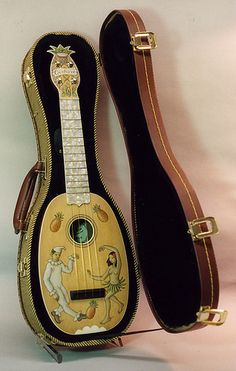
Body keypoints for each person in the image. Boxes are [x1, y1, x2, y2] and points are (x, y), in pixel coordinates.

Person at [43, 246, 85, 323]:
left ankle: (56, 312)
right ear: (51, 254)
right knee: (65, 305)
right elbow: (46, 279)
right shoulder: (50, 265)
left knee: (67, 301)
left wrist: (70, 259)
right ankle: (77, 315)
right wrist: (52, 292)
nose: (58, 256)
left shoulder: (60, 263)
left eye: (59, 255)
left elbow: (68, 270)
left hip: (60, 286)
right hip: (54, 288)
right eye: (56, 254)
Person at [87, 245, 125, 324]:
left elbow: (116, 250)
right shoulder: (110, 268)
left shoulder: (118, 266)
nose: (111, 259)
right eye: (110, 258)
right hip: (110, 285)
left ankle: (107, 316)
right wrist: (91, 276)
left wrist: (105, 246)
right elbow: (102, 278)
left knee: (106, 298)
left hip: (116, 286)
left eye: (113, 257)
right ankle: (120, 304)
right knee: (108, 295)